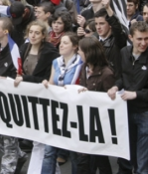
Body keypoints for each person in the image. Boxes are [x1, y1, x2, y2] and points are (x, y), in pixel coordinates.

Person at [14, 21, 59, 174]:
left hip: (42, 99)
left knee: (41, 140)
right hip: (26, 98)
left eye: (37, 33)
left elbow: (47, 79)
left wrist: (25, 79)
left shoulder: (50, 53)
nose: (32, 35)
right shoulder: (23, 48)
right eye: (31, 32)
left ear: (43, 35)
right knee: (36, 139)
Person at [0, 17, 28, 174]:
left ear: (5, 31)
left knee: (8, 138)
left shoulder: (13, 49)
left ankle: (7, 169)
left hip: (11, 102)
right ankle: (21, 155)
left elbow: (17, 77)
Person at [107, 21, 148, 174]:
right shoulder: (124, 52)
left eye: (146, 39)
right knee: (129, 151)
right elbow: (121, 77)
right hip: (126, 110)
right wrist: (115, 87)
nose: (143, 43)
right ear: (131, 38)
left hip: (144, 112)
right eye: (139, 39)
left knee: (143, 157)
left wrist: (136, 94)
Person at [41, 33, 83, 174]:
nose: (61, 45)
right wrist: (47, 84)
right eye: (61, 42)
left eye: (65, 43)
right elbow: (52, 82)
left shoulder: (81, 63)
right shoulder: (56, 62)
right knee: (49, 151)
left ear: (75, 46)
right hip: (56, 110)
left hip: (73, 112)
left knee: (74, 153)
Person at [77, 37, 115, 174]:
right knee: (84, 161)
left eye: (80, 51)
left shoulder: (106, 74)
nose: (78, 53)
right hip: (86, 122)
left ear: (88, 53)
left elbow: (110, 102)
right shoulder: (84, 68)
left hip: (99, 125)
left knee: (100, 160)